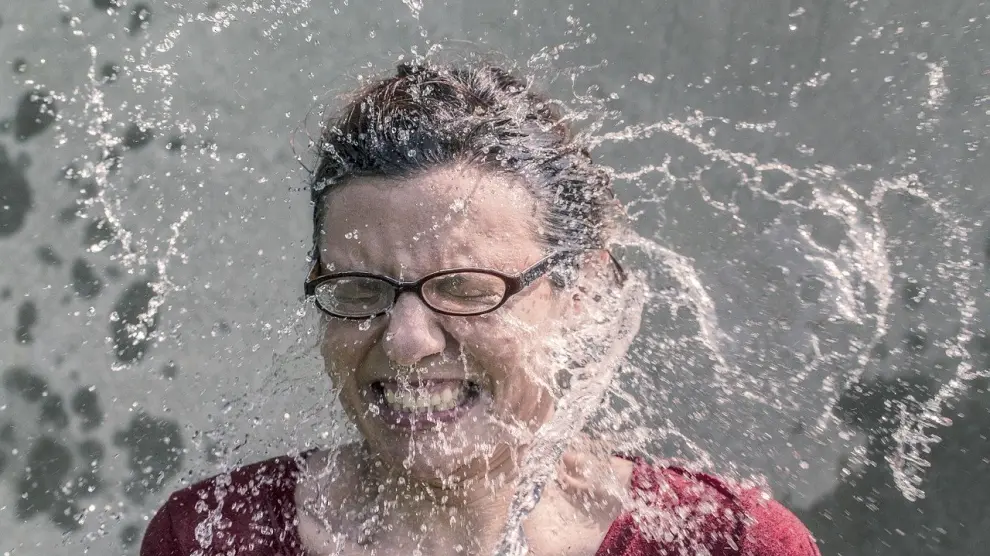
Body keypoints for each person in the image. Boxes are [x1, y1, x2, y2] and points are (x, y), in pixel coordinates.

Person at [140, 61, 821, 556]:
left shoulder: (730, 543)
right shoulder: (210, 536)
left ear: (582, 294)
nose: (406, 341)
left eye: (465, 288)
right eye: (357, 291)